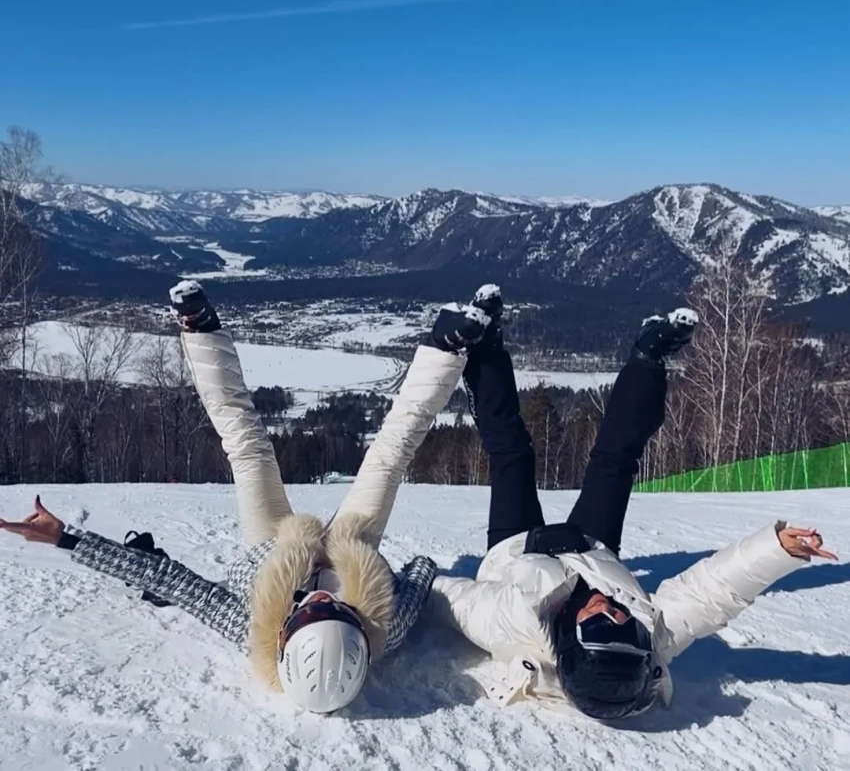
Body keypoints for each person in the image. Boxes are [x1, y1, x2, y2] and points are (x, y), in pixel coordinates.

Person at [1, 282, 495, 714]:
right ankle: (447, 348)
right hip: (352, 545)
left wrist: (68, 539)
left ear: (281, 637)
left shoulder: (252, 626)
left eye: (309, 610)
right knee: (391, 453)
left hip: (273, 549)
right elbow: (422, 569)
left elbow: (174, 582)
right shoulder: (387, 624)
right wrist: (379, 577)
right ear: (362, 636)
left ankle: (200, 331)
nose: (322, 597)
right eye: (339, 609)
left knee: (247, 445)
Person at [427, 287, 837, 720]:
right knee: (615, 460)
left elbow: (450, 600)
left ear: (568, 642)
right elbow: (710, 594)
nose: (611, 611)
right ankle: (647, 357)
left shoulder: (511, 619)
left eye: (598, 625)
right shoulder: (647, 635)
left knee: (512, 454)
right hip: (591, 552)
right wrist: (777, 549)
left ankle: (486, 346)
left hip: (518, 550)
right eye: (626, 627)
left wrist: (398, 587)